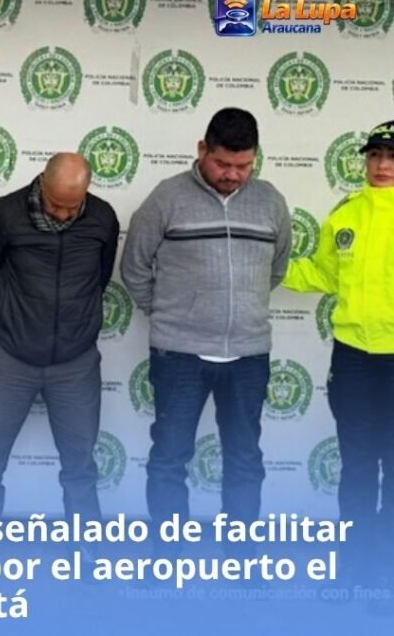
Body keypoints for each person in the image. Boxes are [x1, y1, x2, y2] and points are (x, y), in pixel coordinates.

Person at [121, 107, 291, 557]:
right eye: (222, 163)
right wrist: (171, 314)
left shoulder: (271, 201)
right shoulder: (167, 197)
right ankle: (168, 558)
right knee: (169, 459)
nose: (232, 174)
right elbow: (134, 266)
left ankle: (241, 558)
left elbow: (276, 269)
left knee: (245, 460)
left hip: (248, 354)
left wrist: (243, 306)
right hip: (180, 355)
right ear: (202, 150)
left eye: (244, 165)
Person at [0, 152, 119, 560]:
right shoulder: (4, 214)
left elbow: (100, 277)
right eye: (55, 204)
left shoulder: (103, 218)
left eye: (73, 206)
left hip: (75, 362)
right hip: (10, 358)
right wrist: (13, 317)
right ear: (42, 183)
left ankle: (86, 542)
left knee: (80, 463)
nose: (64, 214)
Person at [284, 119, 394, 585]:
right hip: (353, 360)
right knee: (357, 464)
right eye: (375, 155)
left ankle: (386, 568)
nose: (382, 165)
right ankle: (353, 563)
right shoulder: (345, 214)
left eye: (392, 157)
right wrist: (265, 266)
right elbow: (323, 274)